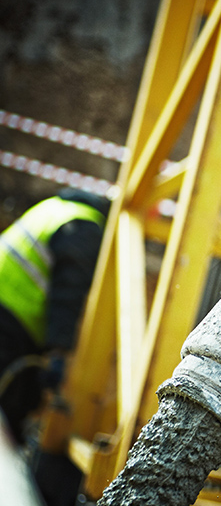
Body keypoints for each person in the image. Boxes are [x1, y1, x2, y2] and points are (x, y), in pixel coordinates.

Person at [0, 188, 109, 445]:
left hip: (10, 310)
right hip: (11, 317)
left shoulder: (56, 207)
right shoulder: (85, 227)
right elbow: (67, 296)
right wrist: (58, 352)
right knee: (12, 405)